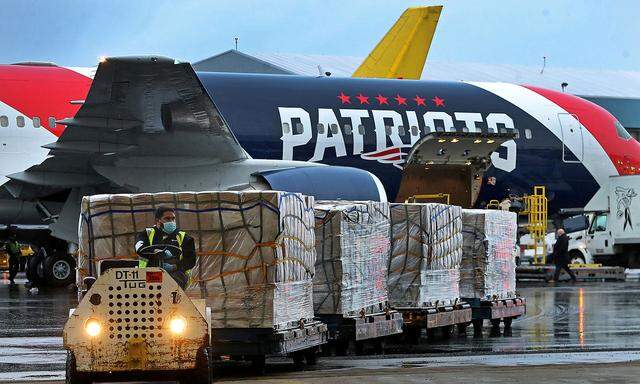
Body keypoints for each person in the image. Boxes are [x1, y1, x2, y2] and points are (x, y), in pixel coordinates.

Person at [134, 206, 196, 288]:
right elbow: (139, 248)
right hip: (150, 273)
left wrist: (175, 266)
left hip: (176, 274)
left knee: (171, 283)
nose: (171, 222)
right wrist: (155, 252)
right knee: (155, 282)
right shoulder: (147, 234)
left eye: (173, 219)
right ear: (157, 221)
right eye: (167, 219)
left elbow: (191, 260)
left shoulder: (183, 237)